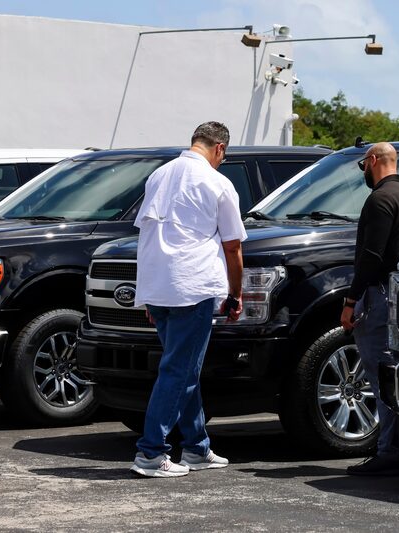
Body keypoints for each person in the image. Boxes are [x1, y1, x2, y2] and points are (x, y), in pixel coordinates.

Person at [129, 121, 247, 478]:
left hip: (158, 282)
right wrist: (235, 293)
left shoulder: (159, 175)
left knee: (184, 370)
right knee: (178, 370)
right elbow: (233, 245)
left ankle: (196, 448)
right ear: (220, 149)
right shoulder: (218, 182)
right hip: (191, 285)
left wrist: (149, 293)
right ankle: (151, 453)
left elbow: (148, 231)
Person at [340, 142, 399, 476]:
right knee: (395, 372)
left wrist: (350, 300)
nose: (364, 170)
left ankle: (389, 450)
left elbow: (370, 257)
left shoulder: (379, 199)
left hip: (376, 296)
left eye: (363, 164)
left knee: (379, 375)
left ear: (373, 161)